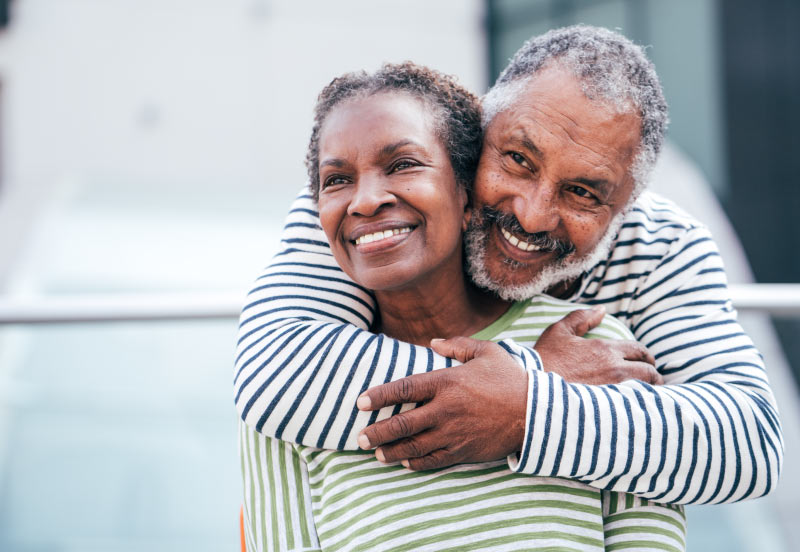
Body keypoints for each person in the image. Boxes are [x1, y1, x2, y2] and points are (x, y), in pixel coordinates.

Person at [235, 25, 781, 508]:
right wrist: (534, 377)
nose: (533, 213)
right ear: (478, 130)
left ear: (627, 205)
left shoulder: (662, 245)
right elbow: (277, 371)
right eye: (517, 159)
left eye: (583, 193)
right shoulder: (369, 209)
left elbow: (747, 445)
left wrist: (525, 409)